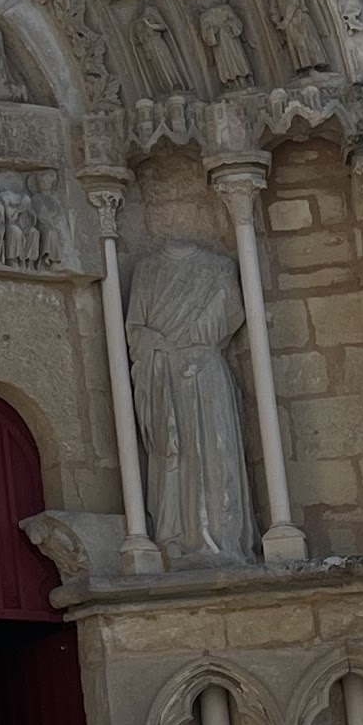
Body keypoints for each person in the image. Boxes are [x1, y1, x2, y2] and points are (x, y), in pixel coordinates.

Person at [123, 229, 257, 564]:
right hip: (163, 374)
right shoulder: (147, 269)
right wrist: (163, 347)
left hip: (205, 371)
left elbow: (232, 314)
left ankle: (220, 536)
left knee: (215, 448)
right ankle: (174, 537)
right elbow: (134, 328)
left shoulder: (220, 268)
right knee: (172, 453)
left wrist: (194, 340)